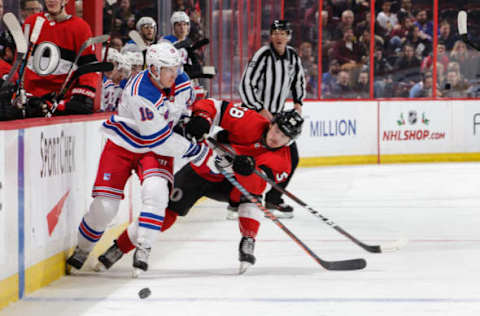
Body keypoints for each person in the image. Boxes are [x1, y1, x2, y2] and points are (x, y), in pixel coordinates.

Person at [95, 99, 304, 274]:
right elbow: (213, 105)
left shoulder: (283, 161)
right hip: (204, 169)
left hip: (233, 184)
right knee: (165, 210)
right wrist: (203, 118)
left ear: (289, 141)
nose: (276, 136)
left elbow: (258, 186)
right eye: (277, 129)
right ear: (272, 123)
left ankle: (248, 239)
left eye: (283, 136)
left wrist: (244, 171)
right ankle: (119, 248)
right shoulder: (252, 121)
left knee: (252, 198)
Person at [66, 42, 201, 275]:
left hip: (153, 149)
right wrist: (195, 151)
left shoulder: (179, 79)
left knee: (156, 193)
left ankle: (144, 247)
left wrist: (191, 120)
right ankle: (83, 248)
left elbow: (184, 107)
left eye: (176, 68)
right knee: (105, 207)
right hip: (124, 143)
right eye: (169, 69)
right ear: (155, 69)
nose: (175, 73)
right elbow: (158, 138)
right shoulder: (140, 92)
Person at [239, 19, 305, 219]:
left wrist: (298, 103)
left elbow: (299, 80)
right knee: (249, 156)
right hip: (253, 115)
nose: (279, 36)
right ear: (271, 35)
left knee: (291, 158)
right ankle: (239, 199)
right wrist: (260, 109)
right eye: (275, 32)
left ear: (288, 36)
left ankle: (273, 198)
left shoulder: (293, 56)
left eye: (283, 33)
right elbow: (245, 84)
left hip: (278, 118)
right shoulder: (262, 55)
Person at [22, 0, 99, 115]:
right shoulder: (31, 22)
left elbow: (88, 67)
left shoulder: (80, 27)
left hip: (61, 103)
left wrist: (83, 94)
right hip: (31, 101)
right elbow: (20, 62)